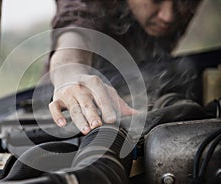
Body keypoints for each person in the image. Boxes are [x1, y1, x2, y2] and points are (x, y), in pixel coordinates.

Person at [47, 0, 202, 134]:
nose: (168, 16)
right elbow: (74, 33)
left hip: (146, 87)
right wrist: (70, 75)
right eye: (156, 0)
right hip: (74, 101)